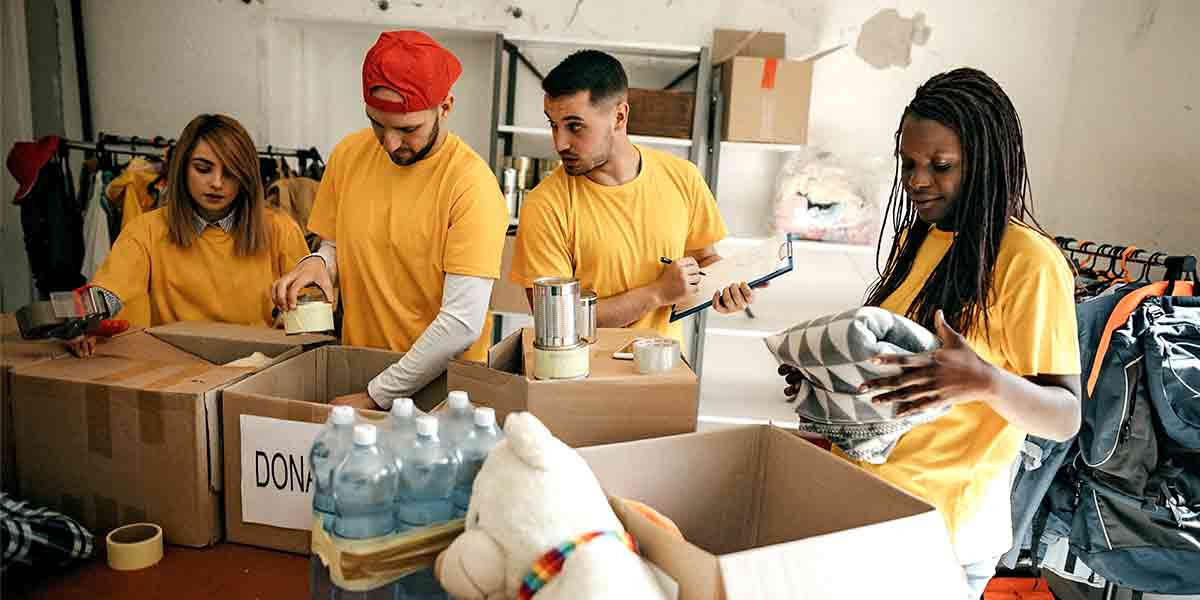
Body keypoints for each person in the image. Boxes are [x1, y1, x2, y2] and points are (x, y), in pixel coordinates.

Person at [779, 68, 1081, 598]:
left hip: (936, 538)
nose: (917, 181)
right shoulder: (919, 239)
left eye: (940, 166)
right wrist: (829, 383)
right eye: (910, 164)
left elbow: (1064, 416)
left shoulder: (1029, 263)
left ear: (985, 163)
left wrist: (984, 381)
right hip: (865, 512)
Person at [272, 31, 507, 410]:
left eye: (407, 129)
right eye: (377, 124)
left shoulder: (471, 187)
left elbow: (462, 323)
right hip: (359, 371)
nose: (390, 143)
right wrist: (318, 262)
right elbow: (337, 242)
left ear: (445, 107)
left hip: (442, 397)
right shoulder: (349, 155)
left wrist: (377, 395)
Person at [510, 50, 757, 344]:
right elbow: (558, 319)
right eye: (553, 124)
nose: (559, 142)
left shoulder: (683, 177)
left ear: (619, 117)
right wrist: (657, 293)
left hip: (663, 371)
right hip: (581, 382)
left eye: (574, 126)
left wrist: (726, 287)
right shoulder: (545, 205)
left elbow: (704, 259)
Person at [66, 114, 309, 357]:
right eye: (203, 169)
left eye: (230, 173)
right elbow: (110, 288)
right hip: (178, 375)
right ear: (182, 167)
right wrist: (82, 319)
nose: (216, 183)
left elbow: (311, 314)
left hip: (260, 371)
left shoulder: (280, 230)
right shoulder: (146, 230)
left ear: (245, 177)